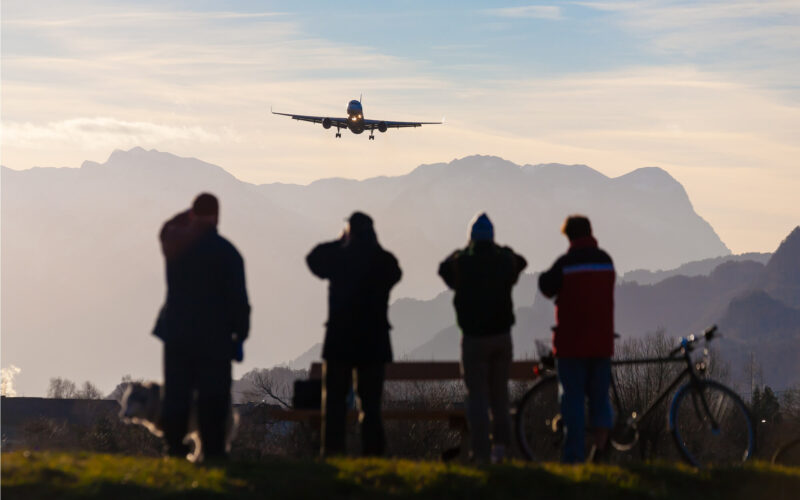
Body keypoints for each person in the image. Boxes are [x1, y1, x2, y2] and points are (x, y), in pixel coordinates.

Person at [154, 193, 250, 460]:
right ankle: (214, 451)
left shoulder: (176, 244)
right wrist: (240, 335)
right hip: (215, 337)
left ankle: (173, 448)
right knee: (214, 397)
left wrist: (189, 214)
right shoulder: (228, 253)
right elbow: (240, 301)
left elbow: (164, 229)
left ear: (193, 214)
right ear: (217, 216)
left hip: (177, 332)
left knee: (176, 394)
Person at [306, 212, 402, 457]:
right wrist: (373, 244)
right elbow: (396, 272)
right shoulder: (382, 261)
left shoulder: (339, 257)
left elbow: (313, 258)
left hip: (340, 341)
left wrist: (342, 241)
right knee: (370, 405)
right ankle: (373, 454)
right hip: (374, 342)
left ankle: (333, 452)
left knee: (335, 405)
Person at [438, 213, 527, 463]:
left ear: (472, 239)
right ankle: (501, 449)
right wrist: (500, 249)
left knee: (476, 396)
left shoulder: (462, 263)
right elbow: (520, 261)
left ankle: (481, 453)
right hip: (501, 337)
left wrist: (463, 251)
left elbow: (443, 269)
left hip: (474, 339)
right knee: (500, 395)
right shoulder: (503, 262)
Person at [538, 215, 615, 463]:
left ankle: (573, 458)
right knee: (600, 399)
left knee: (572, 401)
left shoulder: (565, 264)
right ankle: (600, 451)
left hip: (571, 344)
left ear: (569, 236)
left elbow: (545, 286)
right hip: (602, 342)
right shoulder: (606, 262)